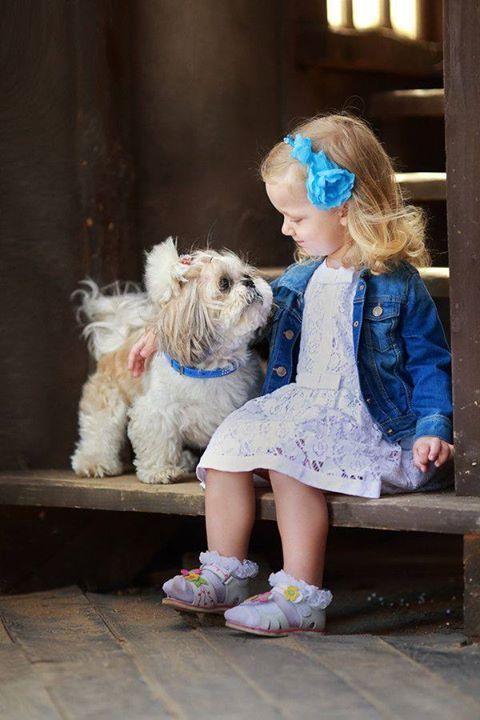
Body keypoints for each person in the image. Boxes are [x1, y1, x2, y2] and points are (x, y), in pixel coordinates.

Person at [128, 113, 454, 637]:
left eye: (296, 218)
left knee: (288, 457)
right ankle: (224, 570)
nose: (285, 229)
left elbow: (429, 361)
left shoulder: (397, 285)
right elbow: (235, 316)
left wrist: (435, 425)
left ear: (344, 208)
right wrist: (158, 331)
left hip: (372, 425)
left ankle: (300, 594)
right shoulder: (301, 280)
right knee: (231, 442)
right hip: (302, 410)